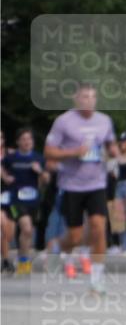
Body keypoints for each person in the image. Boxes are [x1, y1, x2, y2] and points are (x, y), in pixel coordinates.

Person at [43, 84, 119, 293]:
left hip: (97, 183)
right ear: (76, 99)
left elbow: (111, 143)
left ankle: (96, 278)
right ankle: (58, 247)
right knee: (75, 237)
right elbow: (49, 152)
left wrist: (113, 150)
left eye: (93, 97)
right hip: (71, 185)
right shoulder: (64, 122)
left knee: (98, 226)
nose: (89, 100)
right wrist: (74, 152)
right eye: (85, 96)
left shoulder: (104, 121)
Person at [2, 128, 48, 275]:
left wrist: (40, 171)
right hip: (16, 199)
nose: (27, 142)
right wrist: (5, 177)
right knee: (26, 228)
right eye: (24, 139)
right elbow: (1, 166)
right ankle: (24, 262)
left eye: (29, 139)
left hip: (33, 200)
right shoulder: (11, 158)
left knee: (28, 232)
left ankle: (23, 259)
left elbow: (47, 179)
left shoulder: (39, 158)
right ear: (18, 142)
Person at [0, 132, 16, 275]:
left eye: (1, 137)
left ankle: (5, 259)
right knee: (3, 224)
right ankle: (5, 259)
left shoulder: (11, 154)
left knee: (9, 233)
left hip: (10, 196)